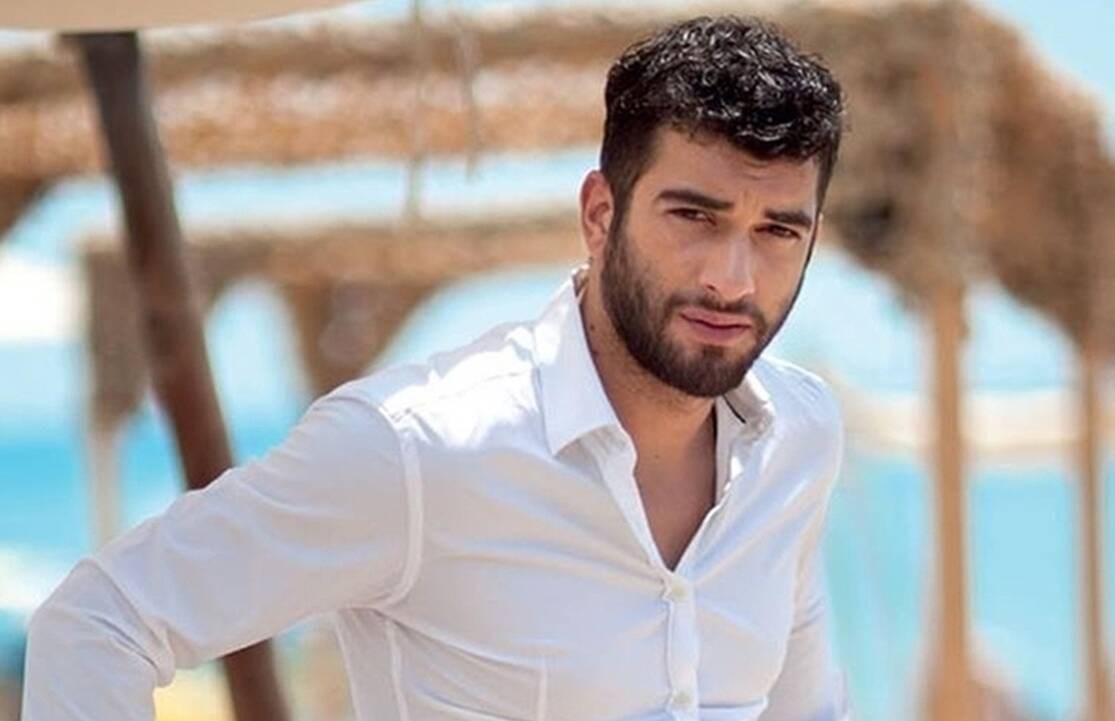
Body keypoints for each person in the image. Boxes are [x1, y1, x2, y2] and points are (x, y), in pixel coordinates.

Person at [23, 14, 848, 721]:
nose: (733, 279)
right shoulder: (415, 448)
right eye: (695, 216)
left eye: (778, 231)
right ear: (600, 213)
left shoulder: (800, 438)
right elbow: (100, 620)